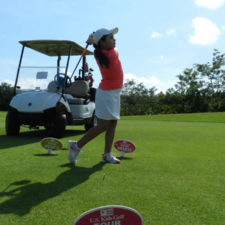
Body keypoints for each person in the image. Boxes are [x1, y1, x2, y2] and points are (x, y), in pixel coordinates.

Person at [68, 27, 123, 164]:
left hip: (114, 93)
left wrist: (93, 40)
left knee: (112, 123)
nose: (114, 39)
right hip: (107, 94)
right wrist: (93, 39)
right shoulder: (111, 53)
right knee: (103, 125)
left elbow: (98, 45)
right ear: (103, 43)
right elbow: (102, 46)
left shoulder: (100, 52)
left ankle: (107, 154)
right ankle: (76, 146)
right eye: (110, 37)